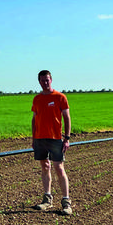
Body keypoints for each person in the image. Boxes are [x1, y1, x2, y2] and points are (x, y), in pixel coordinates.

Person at [31, 70, 72, 215]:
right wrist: (33, 138)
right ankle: (47, 200)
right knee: (45, 166)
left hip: (55, 139)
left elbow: (67, 118)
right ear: (39, 82)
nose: (45, 82)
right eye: (42, 80)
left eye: (47, 80)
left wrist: (66, 138)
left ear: (51, 80)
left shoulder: (60, 97)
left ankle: (66, 202)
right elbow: (34, 119)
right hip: (40, 139)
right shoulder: (37, 99)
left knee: (59, 168)